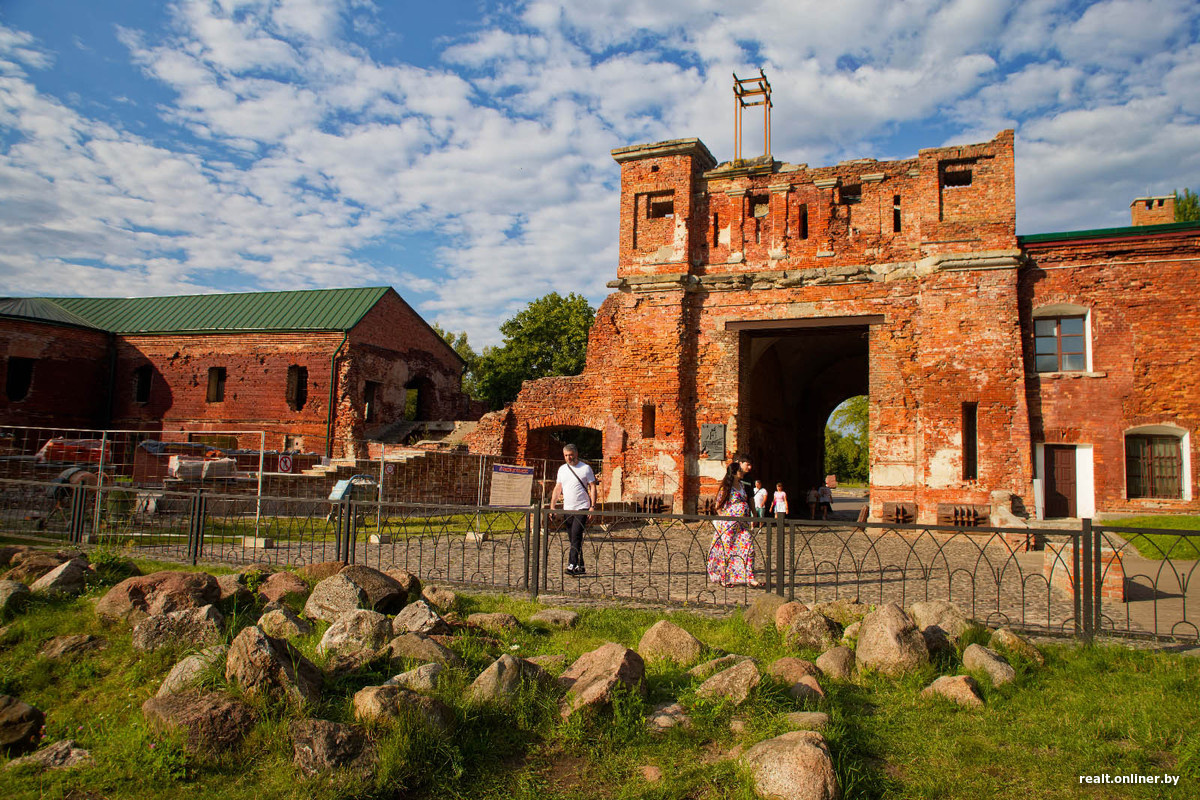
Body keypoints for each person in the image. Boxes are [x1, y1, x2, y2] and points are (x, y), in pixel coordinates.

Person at [706, 456, 759, 587]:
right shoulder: (727, 487)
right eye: (740, 470)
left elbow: (749, 499)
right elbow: (718, 505)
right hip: (729, 525)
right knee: (726, 550)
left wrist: (752, 515)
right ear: (735, 472)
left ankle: (749, 577)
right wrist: (725, 520)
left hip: (742, 524)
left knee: (749, 548)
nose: (743, 472)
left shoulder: (742, 485)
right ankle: (724, 578)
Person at [549, 443, 597, 577]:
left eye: (570, 455)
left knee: (576, 536)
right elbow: (558, 488)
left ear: (576, 454)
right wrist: (552, 506)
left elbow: (592, 487)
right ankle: (581, 566)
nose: (568, 458)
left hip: (582, 508)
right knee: (572, 538)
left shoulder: (586, 468)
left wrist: (592, 506)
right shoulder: (562, 469)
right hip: (568, 508)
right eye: (566, 455)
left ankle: (571, 564)